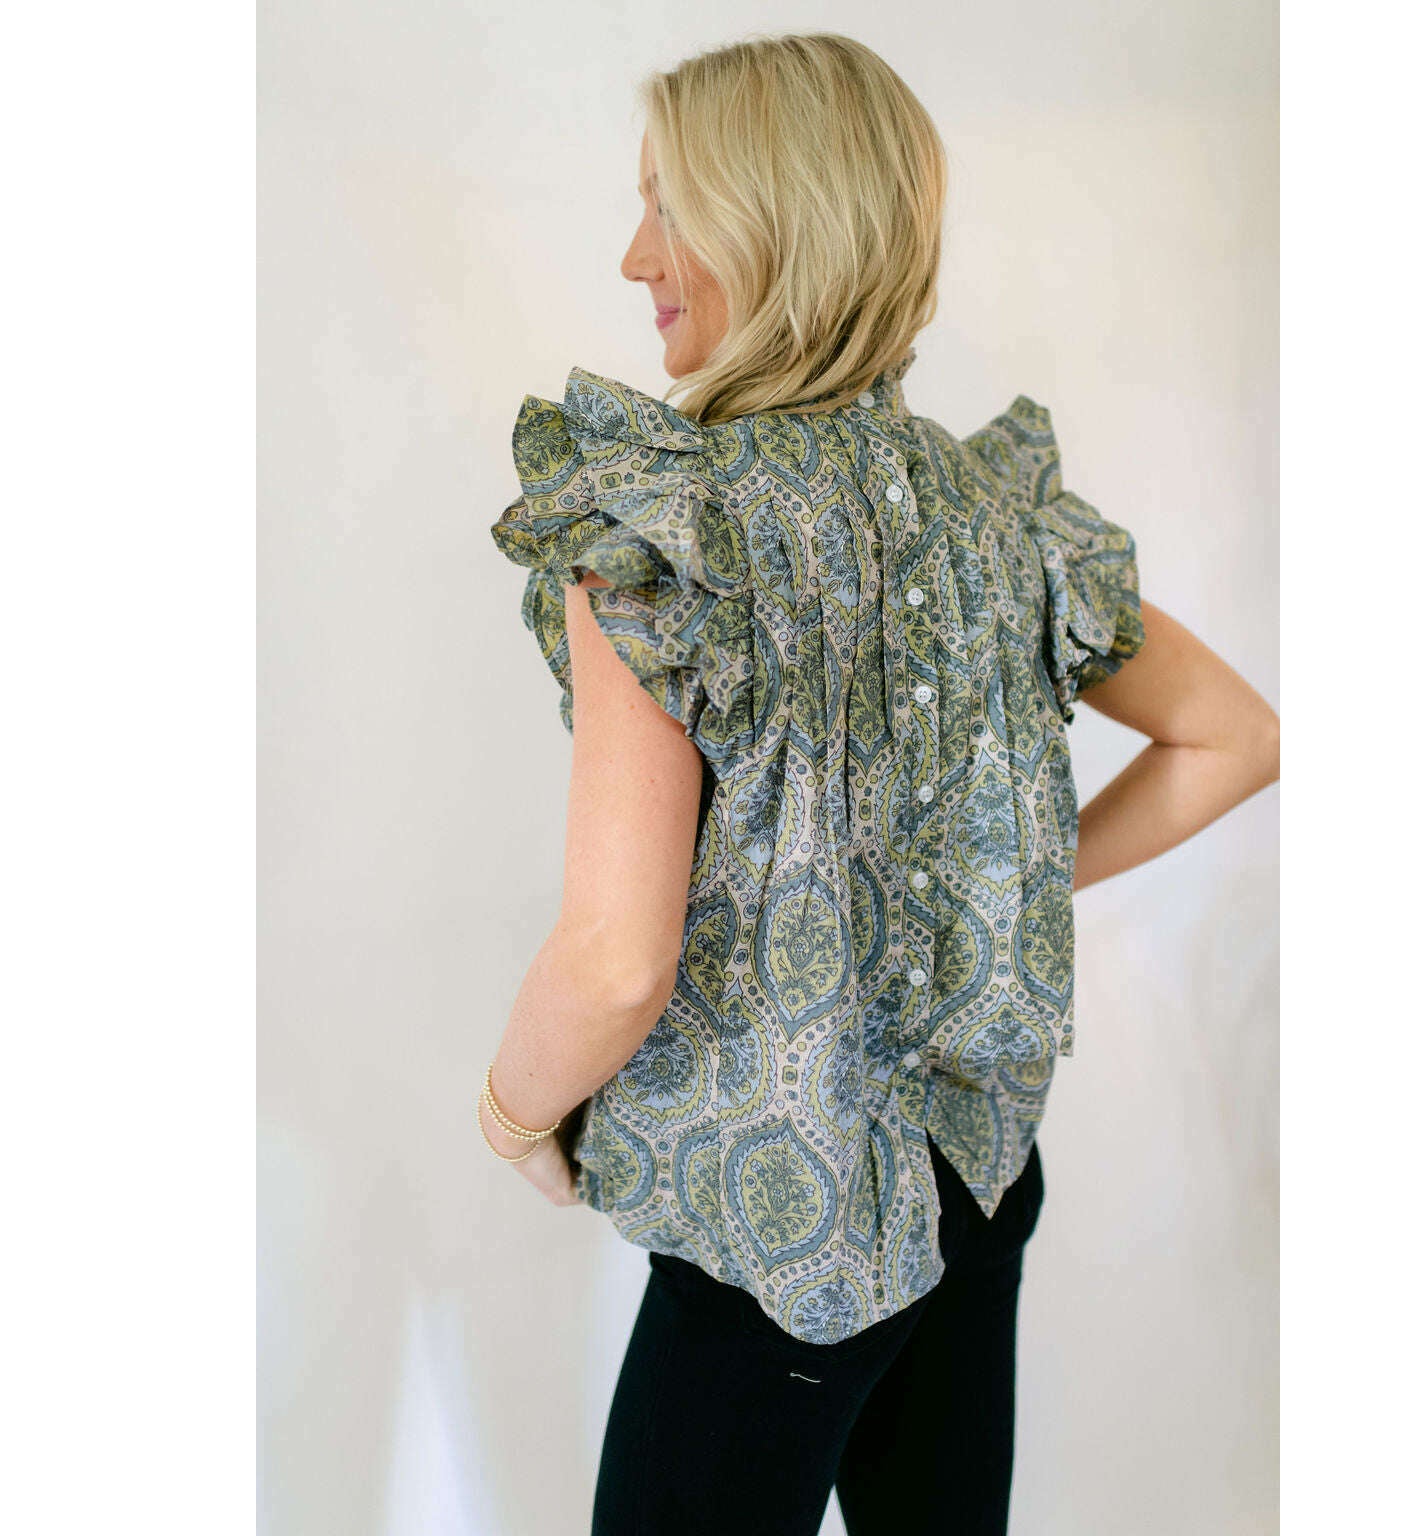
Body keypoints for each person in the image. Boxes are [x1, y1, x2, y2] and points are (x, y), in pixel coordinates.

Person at [479, 31, 1279, 1536]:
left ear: (777, 223)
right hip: (975, 1178)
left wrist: (513, 1114)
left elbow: (615, 960)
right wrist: (1000, 867)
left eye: (670, 205)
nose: (636, 255)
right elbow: (1235, 737)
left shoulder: (665, 532)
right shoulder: (998, 517)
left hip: (776, 1245)